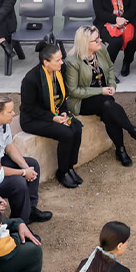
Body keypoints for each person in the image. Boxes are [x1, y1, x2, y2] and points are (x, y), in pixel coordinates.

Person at [65, 25, 136, 167]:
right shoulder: (72, 62)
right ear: (85, 43)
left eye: (99, 37)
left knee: (108, 111)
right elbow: (73, 91)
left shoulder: (101, 50)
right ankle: (132, 131)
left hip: (104, 95)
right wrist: (102, 91)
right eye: (96, 40)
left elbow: (110, 68)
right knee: (107, 105)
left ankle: (121, 149)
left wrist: (111, 85)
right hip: (82, 100)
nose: (100, 40)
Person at [0, 96, 51, 224]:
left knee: (32, 164)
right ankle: (19, 223)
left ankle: (30, 210)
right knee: (18, 183)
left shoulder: (3, 123)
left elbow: (9, 147)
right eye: (10, 112)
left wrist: (26, 167)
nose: (14, 114)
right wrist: (23, 173)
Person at [20, 39, 84, 188]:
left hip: (54, 113)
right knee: (66, 134)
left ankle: (70, 166)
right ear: (46, 62)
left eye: (61, 58)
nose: (62, 62)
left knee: (76, 127)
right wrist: (53, 118)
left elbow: (62, 97)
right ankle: (62, 172)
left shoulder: (59, 71)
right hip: (33, 119)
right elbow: (29, 108)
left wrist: (63, 113)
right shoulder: (31, 79)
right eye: (58, 60)